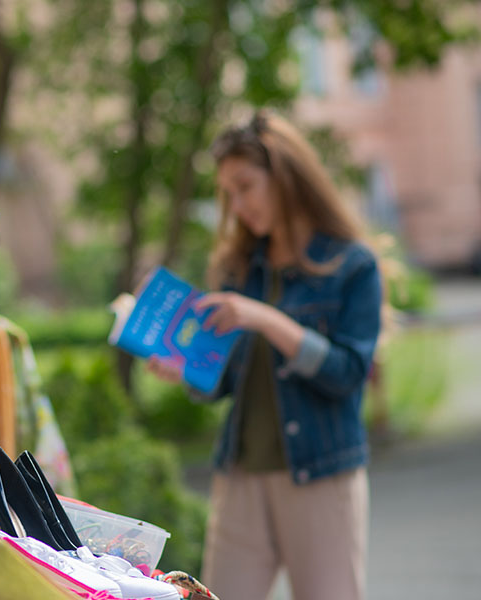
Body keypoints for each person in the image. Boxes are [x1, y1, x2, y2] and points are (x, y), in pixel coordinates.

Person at [145, 111, 382, 600]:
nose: (237, 204)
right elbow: (225, 382)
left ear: (287, 177)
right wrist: (184, 368)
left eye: (246, 186)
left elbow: (348, 374)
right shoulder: (239, 269)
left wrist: (264, 318)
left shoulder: (352, 266)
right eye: (228, 193)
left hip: (321, 475)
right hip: (241, 477)